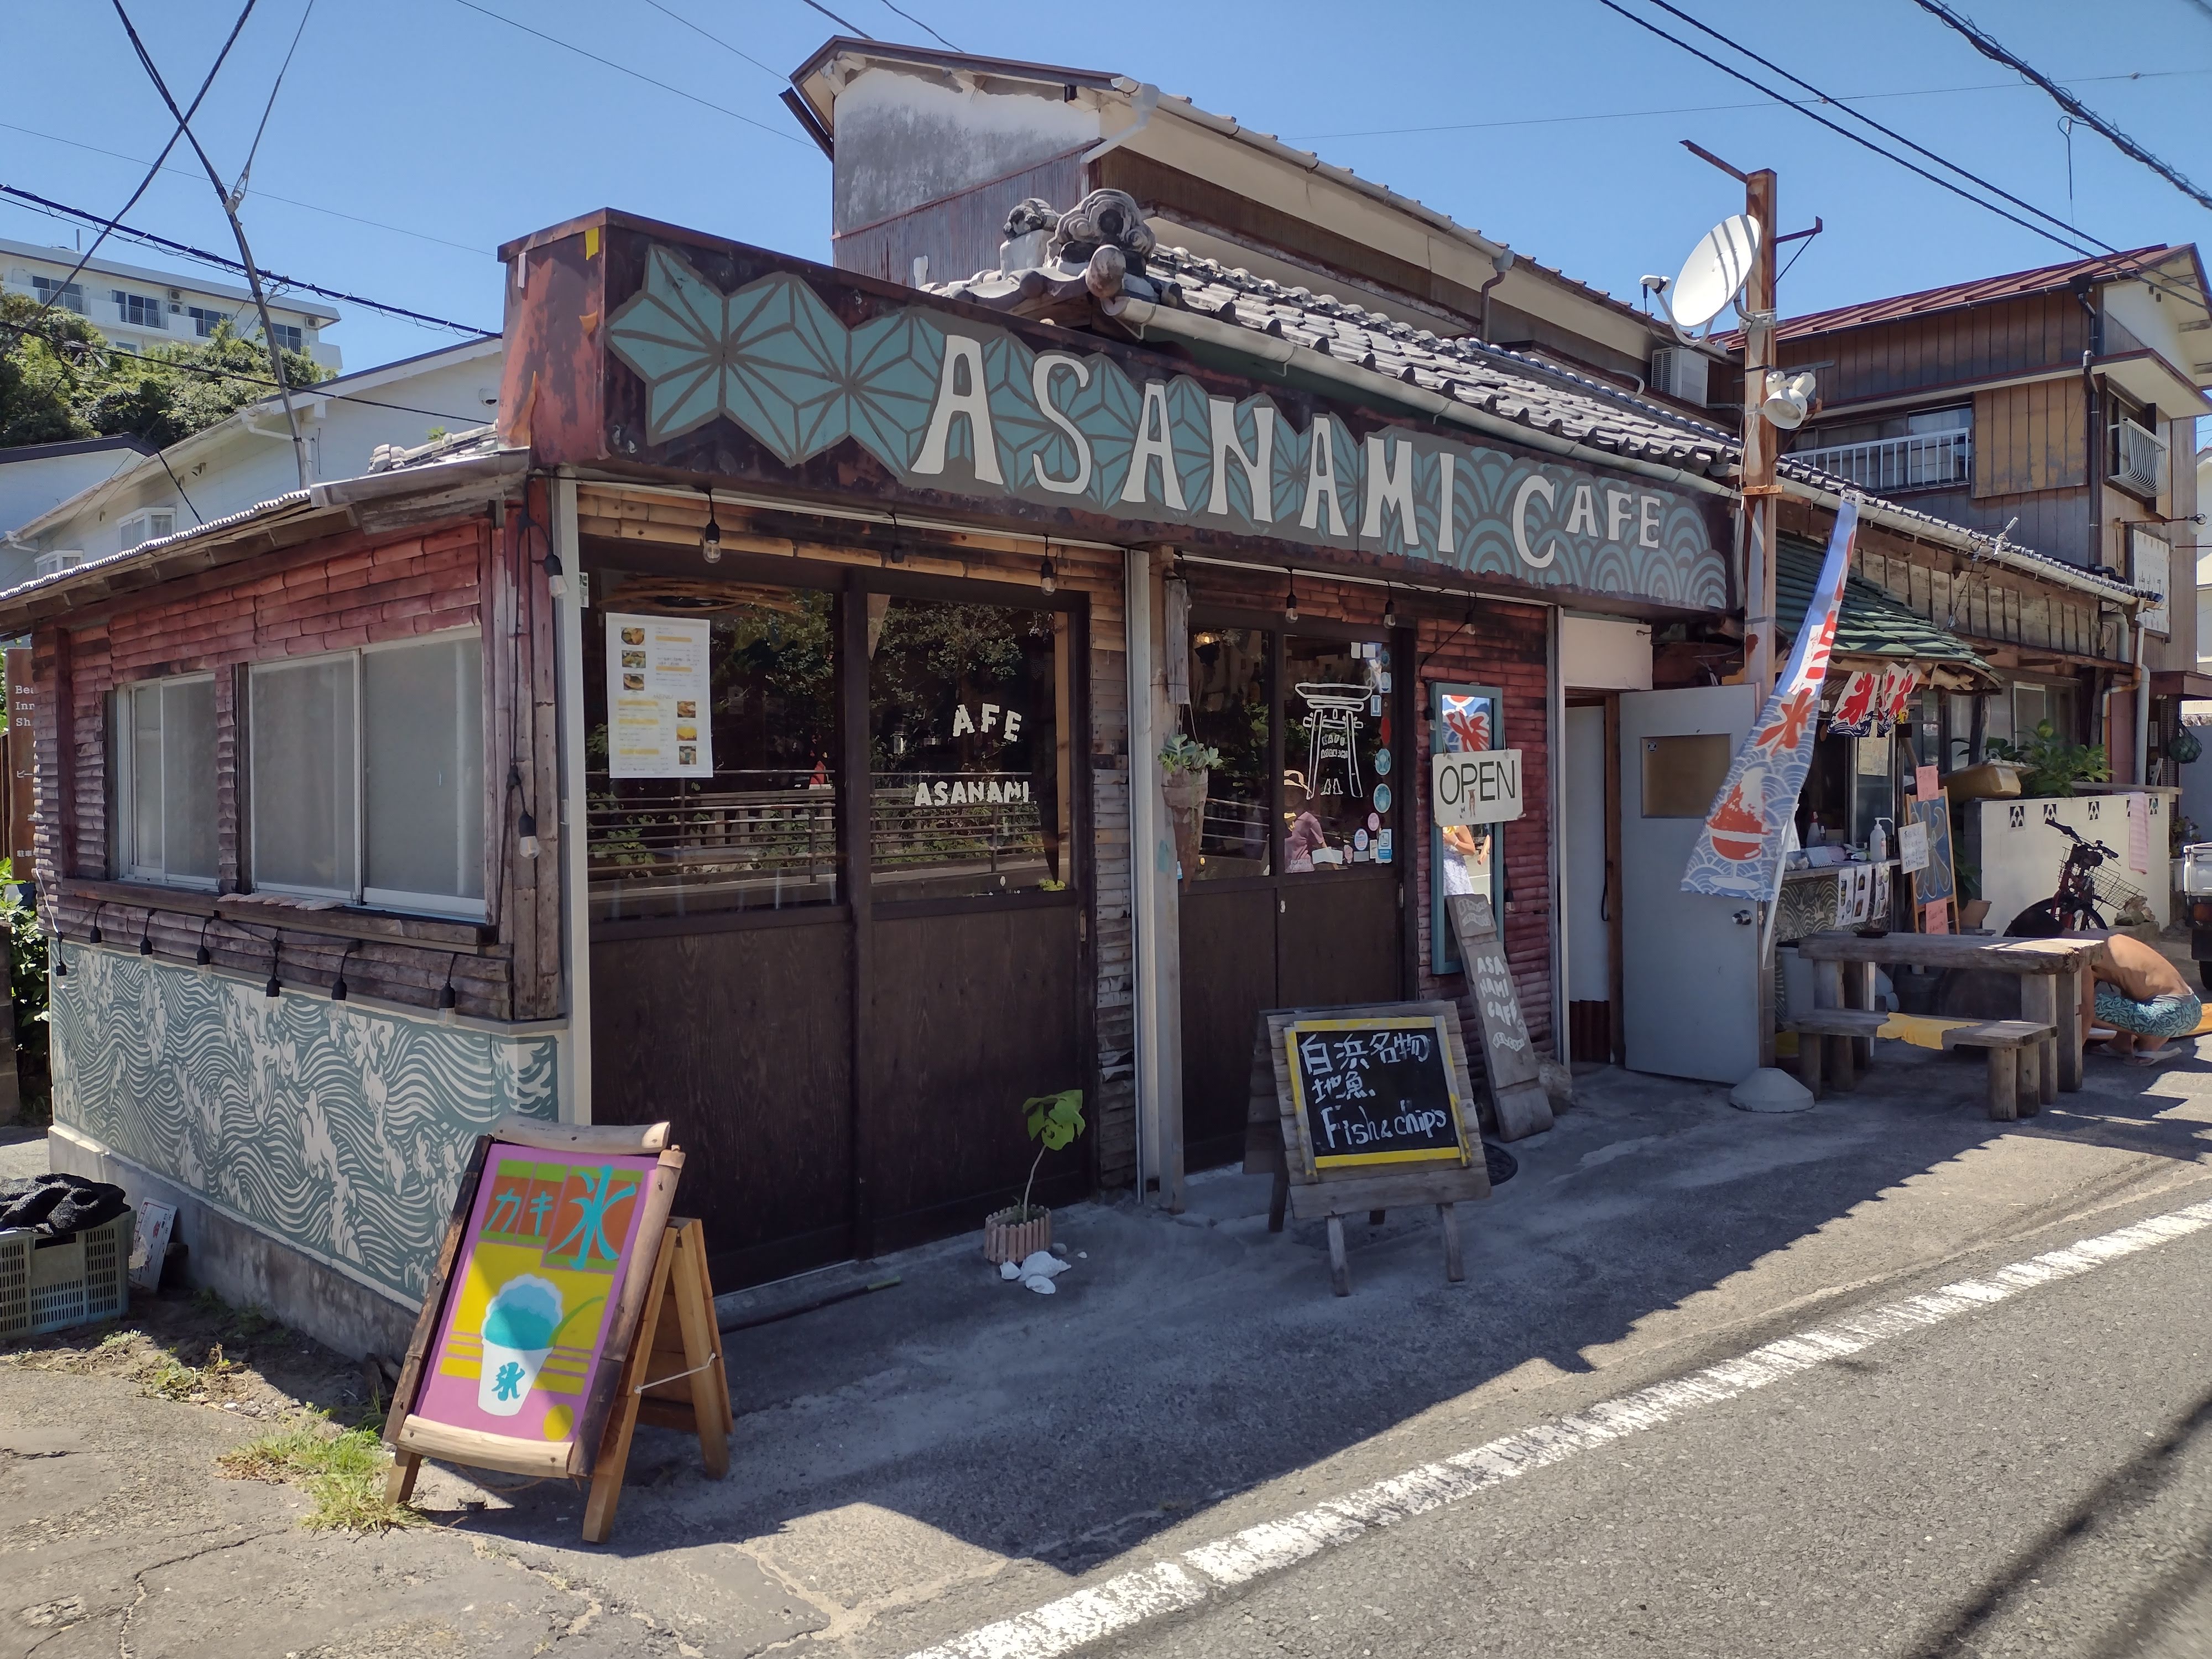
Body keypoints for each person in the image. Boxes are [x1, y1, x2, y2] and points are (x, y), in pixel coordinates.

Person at [2079, 931, 2202, 1065]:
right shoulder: (2095, 936)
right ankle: (2121, 1044)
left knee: (2076, 1004)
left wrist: (2071, 1054)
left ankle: (2151, 1039)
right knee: (2129, 989)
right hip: (2191, 1007)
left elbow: (2085, 1010)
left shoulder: (2081, 951)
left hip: (2169, 1015)